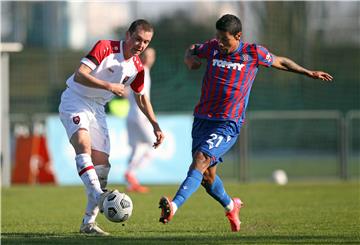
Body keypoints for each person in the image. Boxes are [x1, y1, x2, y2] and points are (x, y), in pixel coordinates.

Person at [158, 14, 333, 232]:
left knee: (200, 160)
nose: (220, 43)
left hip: (228, 122)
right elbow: (193, 48)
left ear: (238, 36)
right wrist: (188, 58)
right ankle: (232, 206)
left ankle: (173, 206)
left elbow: (281, 61)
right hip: (203, 119)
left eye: (225, 39)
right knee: (206, 177)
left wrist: (308, 72)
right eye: (217, 37)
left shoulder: (253, 53)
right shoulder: (212, 47)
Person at [58, 19, 164, 236]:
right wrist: (109, 86)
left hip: (97, 109)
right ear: (128, 35)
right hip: (75, 99)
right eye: (138, 39)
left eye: (146, 42)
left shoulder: (137, 68)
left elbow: (142, 99)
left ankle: (88, 223)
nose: (141, 45)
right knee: (83, 145)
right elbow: (80, 74)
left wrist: (155, 125)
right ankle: (99, 196)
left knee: (102, 168)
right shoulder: (105, 47)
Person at [124, 47, 156, 193]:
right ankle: (131, 173)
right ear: (142, 57)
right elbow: (143, 98)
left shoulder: (135, 70)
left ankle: (131, 183)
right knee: (155, 144)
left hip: (131, 114)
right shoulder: (142, 71)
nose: (149, 58)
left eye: (151, 55)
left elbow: (125, 90)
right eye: (147, 55)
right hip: (140, 115)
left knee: (137, 147)